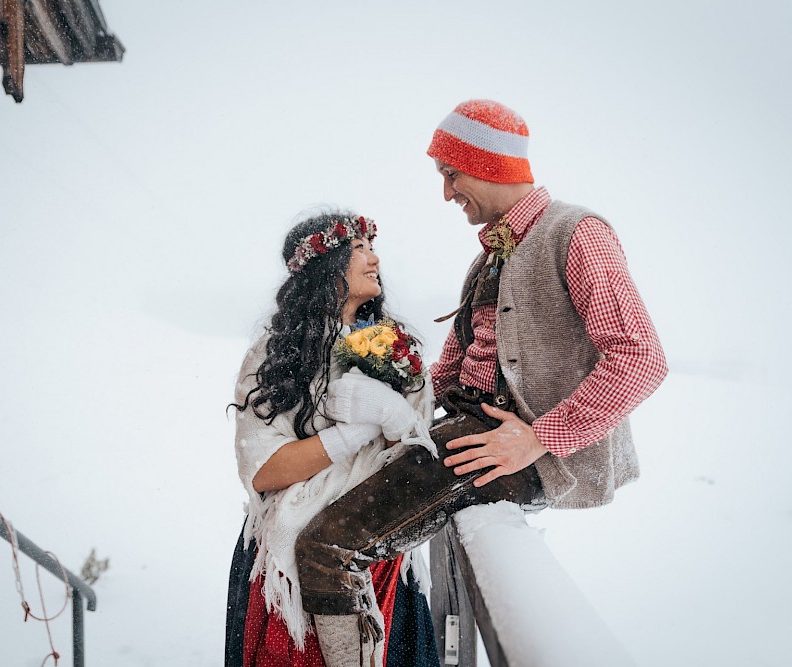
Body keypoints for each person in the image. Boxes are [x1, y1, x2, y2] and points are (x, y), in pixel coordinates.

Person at [294, 99, 669, 666]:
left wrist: (540, 436)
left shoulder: (577, 232)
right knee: (324, 519)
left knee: (325, 549)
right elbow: (451, 370)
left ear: (490, 164)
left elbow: (641, 356)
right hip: (469, 432)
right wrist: (374, 399)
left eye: (452, 174)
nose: (446, 192)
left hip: (507, 449)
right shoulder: (490, 256)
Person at [226, 211, 440, 667]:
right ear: (327, 264)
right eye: (360, 248)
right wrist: (356, 431)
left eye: (371, 247)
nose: (374, 258)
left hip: (380, 541)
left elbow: (417, 443)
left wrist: (393, 413)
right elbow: (265, 469)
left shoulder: (394, 348)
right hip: (293, 554)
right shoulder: (273, 353)